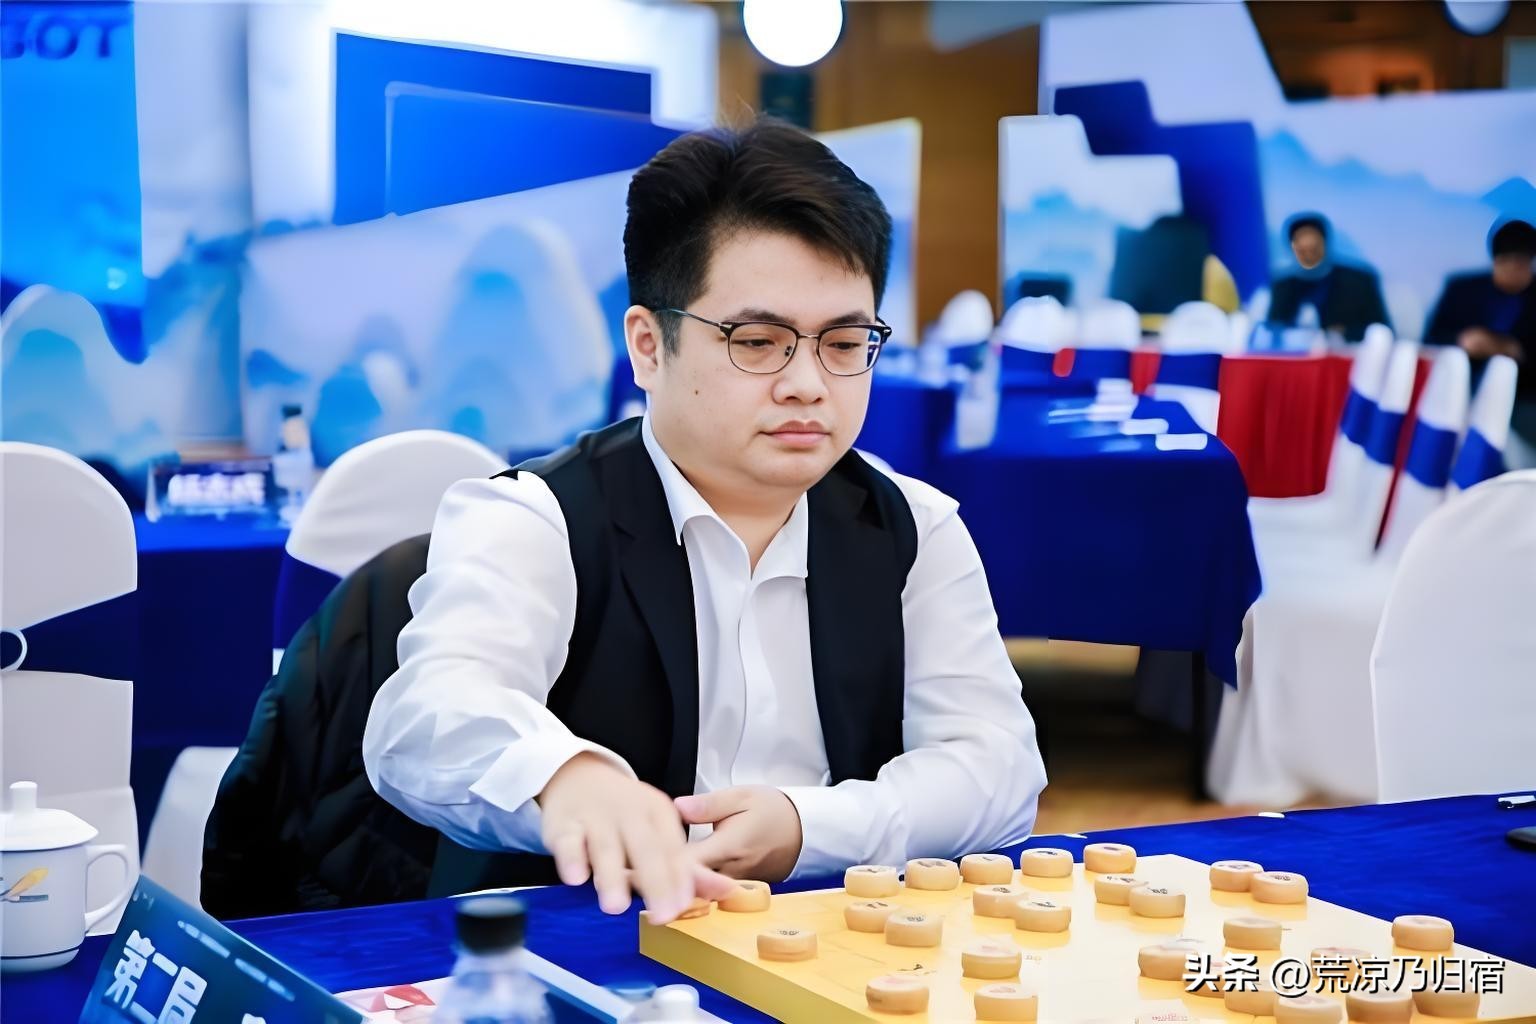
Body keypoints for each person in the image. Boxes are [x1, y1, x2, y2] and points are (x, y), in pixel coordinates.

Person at [362, 119, 1048, 924]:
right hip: (580, 945)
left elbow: (999, 770)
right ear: (649, 347)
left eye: (843, 342)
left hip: (835, 942)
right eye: (757, 341)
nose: (807, 383)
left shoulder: (914, 529)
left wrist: (807, 827)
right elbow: (424, 716)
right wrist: (566, 777)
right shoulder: (535, 517)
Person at [1424, 218, 1535, 364]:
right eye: (1505, 262)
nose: (1512, 271)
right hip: (1463, 370)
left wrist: (1515, 350)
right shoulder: (1462, 290)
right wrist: (1461, 340)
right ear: (1495, 261)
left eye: (1520, 264)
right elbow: (1431, 339)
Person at [1267, 213, 1391, 342]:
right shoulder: (1283, 286)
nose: (1308, 254)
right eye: (1302, 248)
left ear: (1324, 242)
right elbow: (1272, 332)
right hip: (1297, 353)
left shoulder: (1359, 281)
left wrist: (1345, 333)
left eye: (1313, 246)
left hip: (1352, 352)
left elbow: (1382, 331)